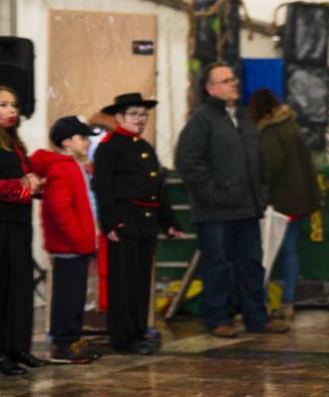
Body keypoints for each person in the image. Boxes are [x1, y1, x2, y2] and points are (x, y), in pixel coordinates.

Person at [176, 64, 287, 337]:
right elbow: (188, 163)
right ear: (210, 89)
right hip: (215, 212)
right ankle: (218, 319)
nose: (233, 84)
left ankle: (256, 318)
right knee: (217, 266)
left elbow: (259, 159)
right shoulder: (201, 120)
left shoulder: (243, 117)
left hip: (247, 208)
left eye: (233, 79)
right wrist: (217, 195)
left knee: (251, 265)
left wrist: (260, 193)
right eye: (225, 81)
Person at [92, 93, 181, 355]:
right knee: (124, 282)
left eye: (144, 115)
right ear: (119, 117)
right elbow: (103, 187)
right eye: (134, 114)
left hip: (146, 221)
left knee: (141, 280)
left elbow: (158, 188)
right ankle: (124, 338)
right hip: (125, 220)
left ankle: (139, 331)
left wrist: (168, 221)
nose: (140, 119)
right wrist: (110, 222)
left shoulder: (145, 147)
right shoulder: (109, 147)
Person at [29, 116, 100, 364]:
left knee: (75, 295)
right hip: (70, 246)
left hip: (77, 245)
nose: (87, 142)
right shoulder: (61, 168)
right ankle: (63, 344)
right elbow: (60, 209)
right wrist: (79, 239)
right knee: (68, 297)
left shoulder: (74, 166)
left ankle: (72, 340)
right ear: (67, 142)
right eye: (83, 138)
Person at [248, 88, 321, 326]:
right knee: (290, 251)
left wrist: (259, 192)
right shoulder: (291, 126)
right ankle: (288, 302)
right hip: (299, 201)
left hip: (278, 204)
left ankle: (262, 302)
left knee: (265, 253)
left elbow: (270, 167)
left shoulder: (270, 131)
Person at [0, 86, 48, 375]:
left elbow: (23, 184)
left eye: (13, 105)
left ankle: (17, 347)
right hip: (2, 225)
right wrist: (21, 186)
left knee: (19, 289)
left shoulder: (15, 145)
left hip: (19, 225)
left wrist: (35, 185)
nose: (11, 110)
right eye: (3, 105)